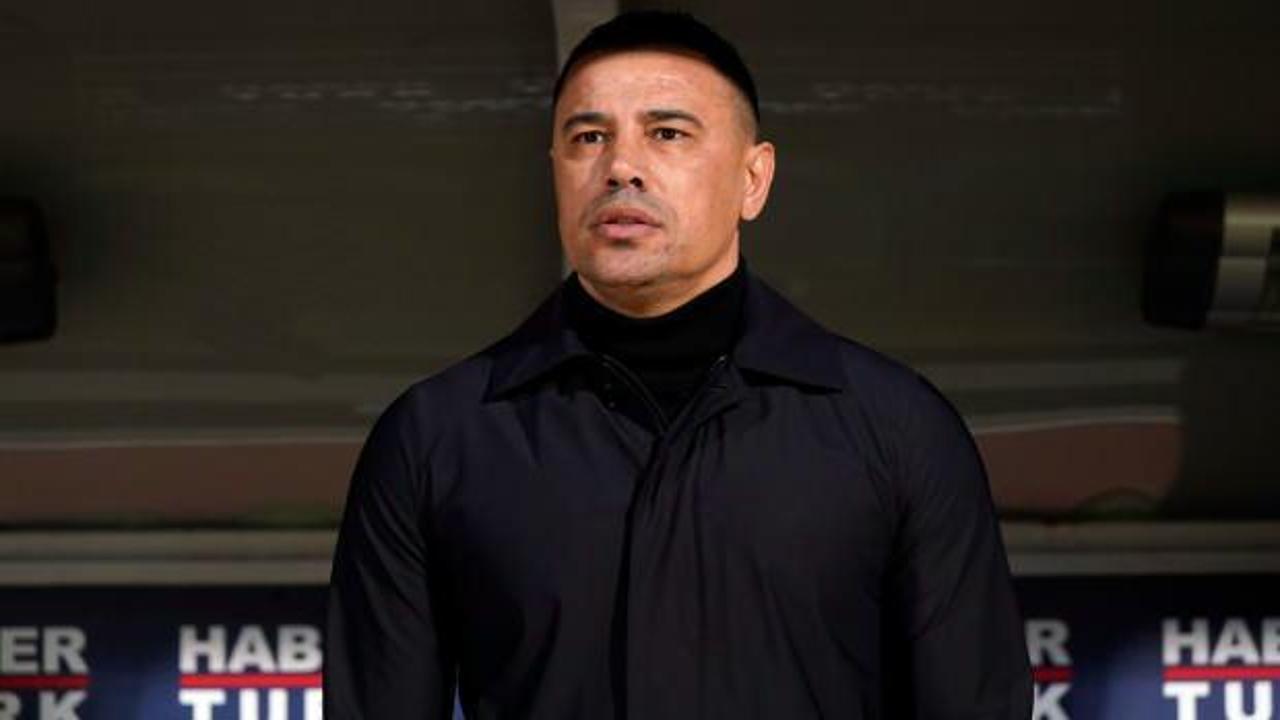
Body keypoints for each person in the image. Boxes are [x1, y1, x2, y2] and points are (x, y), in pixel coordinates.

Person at [325, 10, 1032, 719]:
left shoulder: (896, 427)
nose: (619, 167)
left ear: (753, 179)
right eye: (588, 138)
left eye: (667, 133)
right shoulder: (437, 438)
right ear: (555, 172)